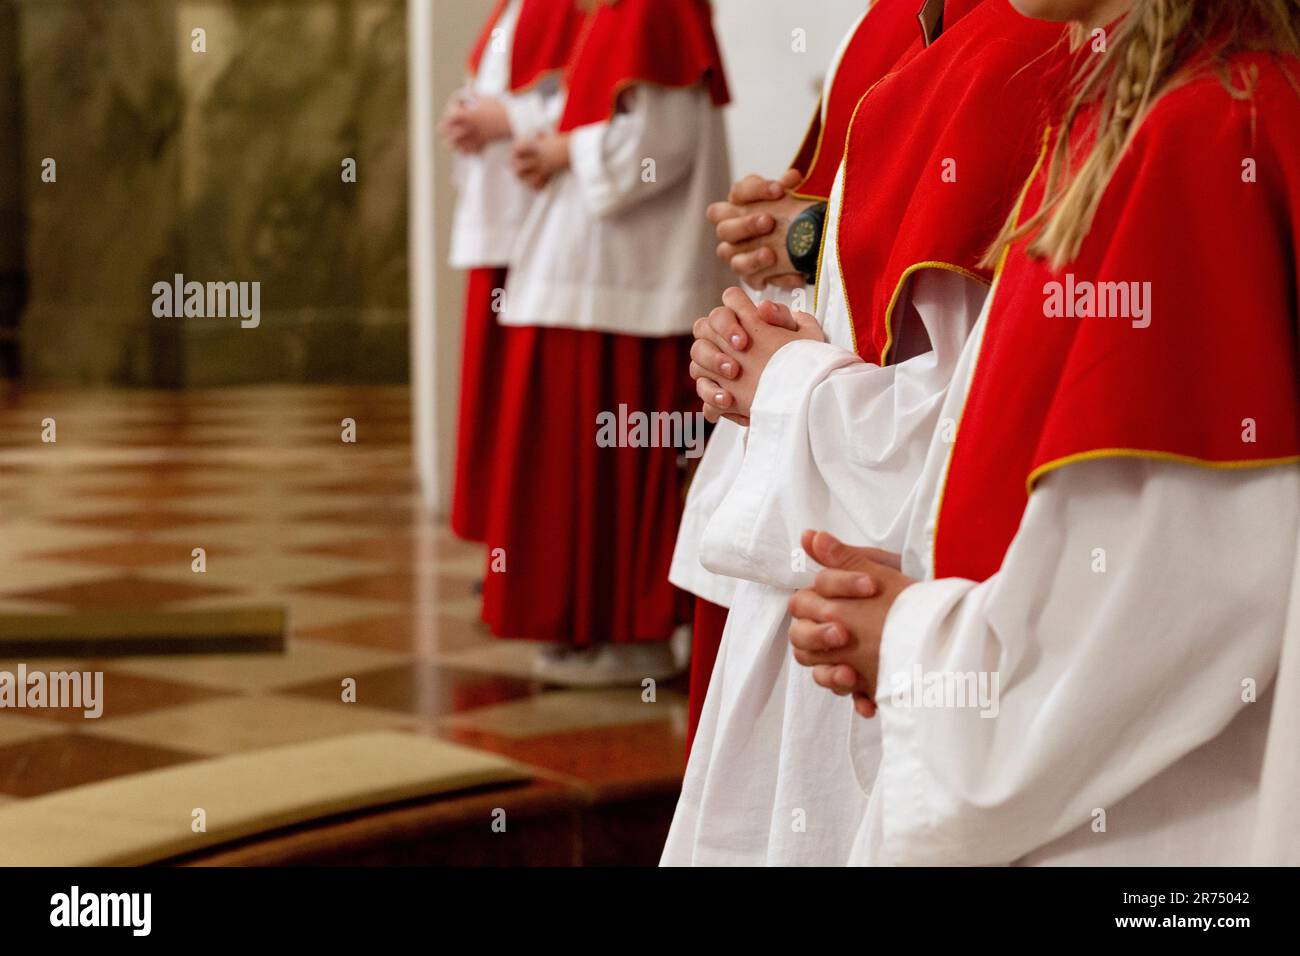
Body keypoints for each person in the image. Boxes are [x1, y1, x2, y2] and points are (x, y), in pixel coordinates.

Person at [788, 0, 1300, 865]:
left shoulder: (1204, 134)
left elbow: (1171, 603)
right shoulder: (1147, 107)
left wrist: (918, 646)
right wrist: (931, 594)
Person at [662, 0, 1071, 865]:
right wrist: (804, 241)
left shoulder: (1022, 48)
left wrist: (780, 384)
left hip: (875, 587)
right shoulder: (906, 22)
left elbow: (983, 424)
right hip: (823, 545)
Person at [672, 0, 926, 757]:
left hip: (863, 521)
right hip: (790, 453)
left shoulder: (1026, 32)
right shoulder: (889, 20)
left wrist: (783, 376)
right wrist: (790, 237)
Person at [481, 0, 733, 685]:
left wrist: (564, 149)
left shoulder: (655, 9)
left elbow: (656, 147)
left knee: (623, 464)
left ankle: (631, 636)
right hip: (601, 279)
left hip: (630, 284)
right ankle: (589, 626)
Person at [440, 0, 585, 543]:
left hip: (535, 225)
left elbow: (589, 98)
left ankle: (521, 550)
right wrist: (468, 113)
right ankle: (503, 551)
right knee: (493, 406)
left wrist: (504, 119)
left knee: (528, 412)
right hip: (494, 220)